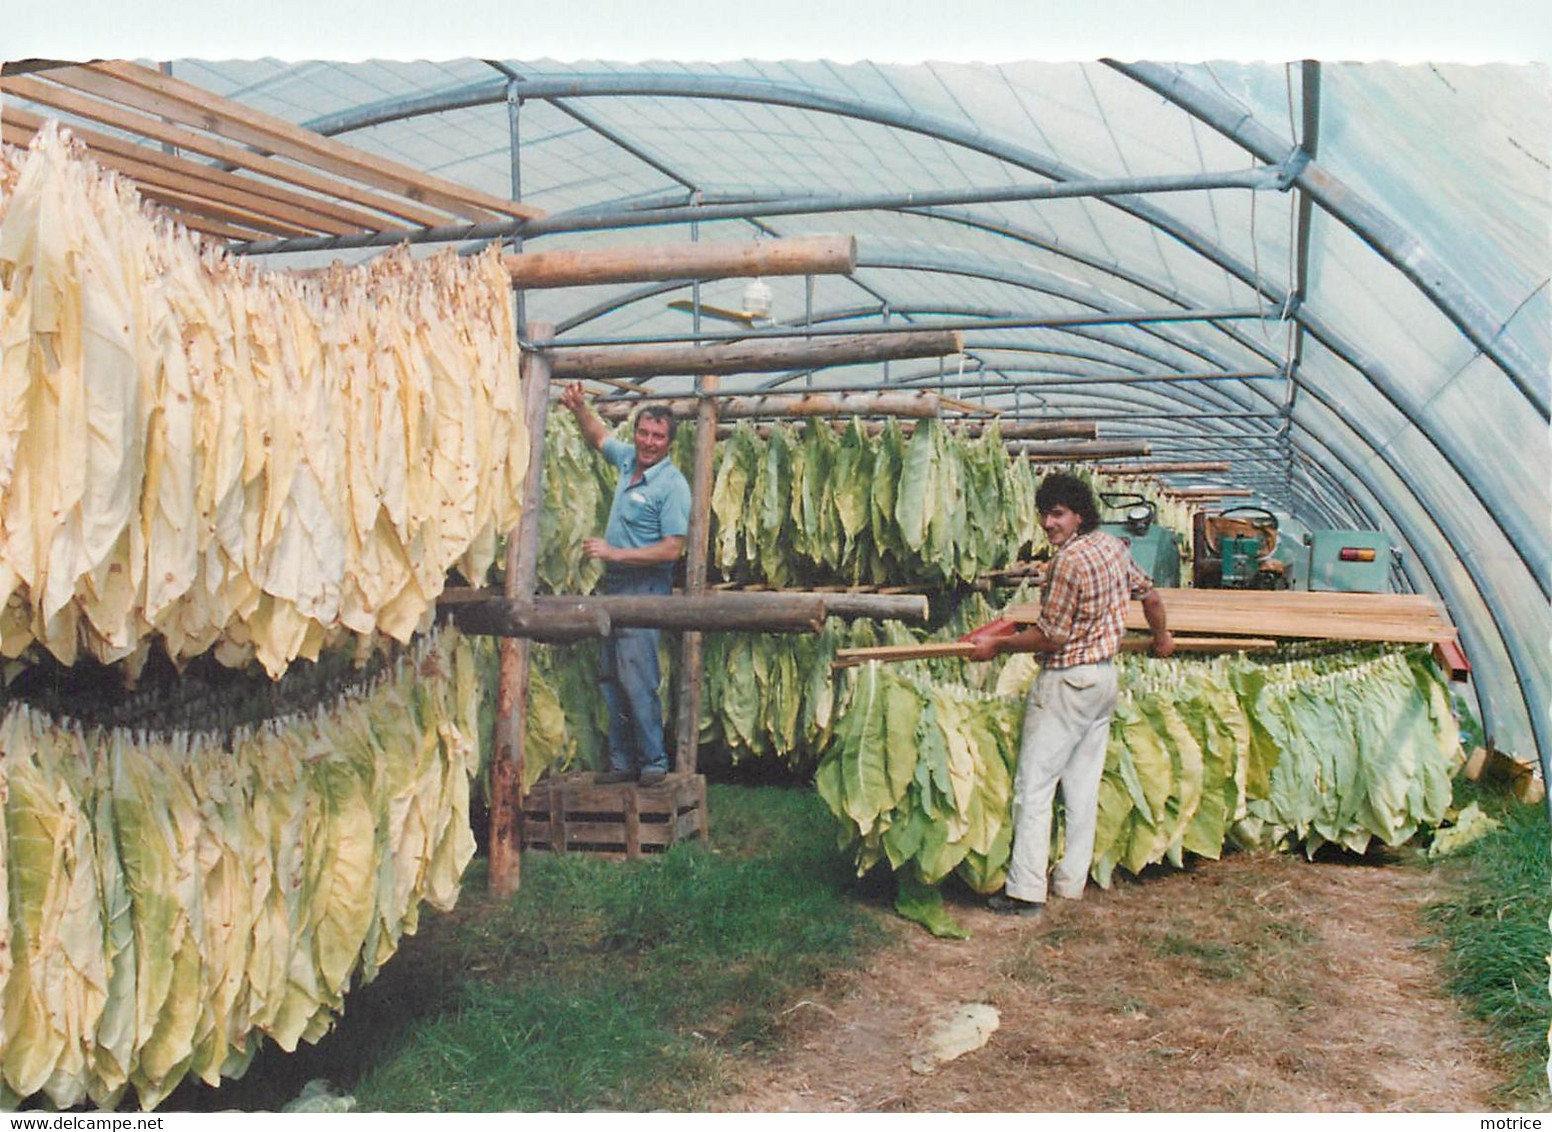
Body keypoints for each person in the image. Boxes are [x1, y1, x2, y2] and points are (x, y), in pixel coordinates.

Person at [968, 471, 1174, 917]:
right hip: (1102, 681)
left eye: (1057, 514)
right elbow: (1152, 597)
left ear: (1079, 515)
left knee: (1035, 787)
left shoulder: (1067, 563)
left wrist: (997, 645)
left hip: (1066, 682)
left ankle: (1025, 891)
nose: (1048, 523)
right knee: (1082, 785)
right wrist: (1162, 640)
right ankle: (1070, 883)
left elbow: (1052, 636)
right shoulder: (1113, 548)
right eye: (1044, 514)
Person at [559, 382, 691, 787]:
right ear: (635, 432)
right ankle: (622, 765)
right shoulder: (626, 462)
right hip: (614, 588)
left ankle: (653, 764)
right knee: (611, 679)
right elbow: (599, 437)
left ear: (669, 443)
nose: (649, 442)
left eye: (658, 437)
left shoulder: (671, 486)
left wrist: (614, 553)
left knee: (637, 678)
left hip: (645, 591)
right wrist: (581, 407)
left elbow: (672, 549)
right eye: (643, 433)